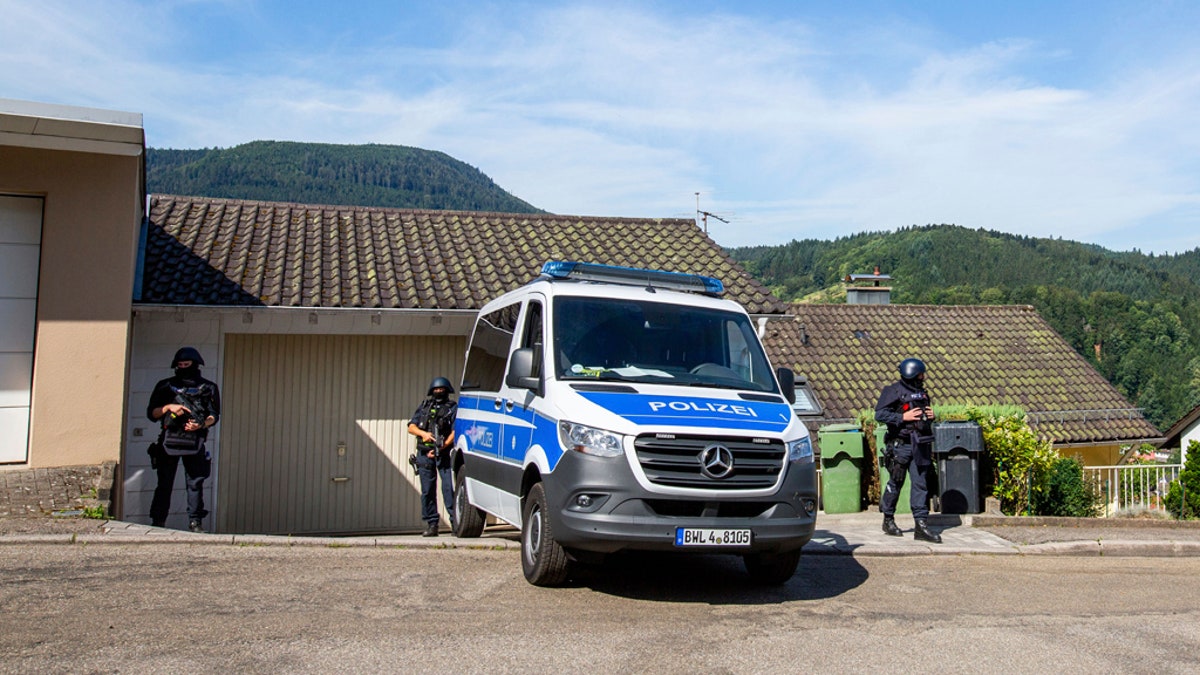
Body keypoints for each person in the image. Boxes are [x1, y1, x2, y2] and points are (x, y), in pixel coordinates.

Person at [146, 347, 221, 532]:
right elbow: (151, 413)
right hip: (169, 442)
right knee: (164, 483)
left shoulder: (208, 388)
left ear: (195, 365)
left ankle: (195, 522)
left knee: (195, 483)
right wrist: (169, 408)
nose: (183, 368)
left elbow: (214, 415)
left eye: (186, 365)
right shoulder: (165, 386)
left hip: (194, 442)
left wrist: (201, 424)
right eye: (179, 365)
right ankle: (158, 522)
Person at [875, 357, 942, 543]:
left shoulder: (922, 393)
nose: (923, 377)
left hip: (920, 444)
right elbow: (879, 414)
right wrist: (902, 417)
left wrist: (931, 415)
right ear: (912, 373)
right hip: (901, 445)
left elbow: (923, 416)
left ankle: (921, 525)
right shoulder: (893, 391)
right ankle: (888, 519)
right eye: (921, 374)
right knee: (896, 482)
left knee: (920, 484)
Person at [407, 376, 458, 537]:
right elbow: (411, 427)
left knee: (449, 488)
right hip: (424, 454)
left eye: (441, 389)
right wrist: (424, 434)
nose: (438, 392)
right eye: (436, 390)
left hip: (443, 454)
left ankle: (455, 522)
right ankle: (432, 524)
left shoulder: (452, 408)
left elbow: (455, 431)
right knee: (427, 491)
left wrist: (443, 446)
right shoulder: (425, 406)